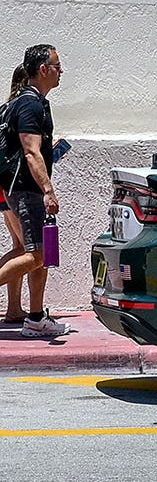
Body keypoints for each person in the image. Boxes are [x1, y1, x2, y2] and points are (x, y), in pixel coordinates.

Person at [0, 45, 68, 337]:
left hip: (22, 188)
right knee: (36, 255)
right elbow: (30, 152)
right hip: (27, 188)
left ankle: (36, 317)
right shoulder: (30, 103)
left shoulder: (27, 101)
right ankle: (31, 316)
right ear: (43, 69)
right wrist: (48, 189)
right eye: (57, 65)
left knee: (37, 251)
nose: (61, 71)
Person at [1, 66, 28, 324]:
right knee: (30, 251)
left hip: (4, 188)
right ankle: (18, 309)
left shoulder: (5, 109)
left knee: (20, 248)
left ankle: (14, 309)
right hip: (15, 187)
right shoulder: (23, 109)